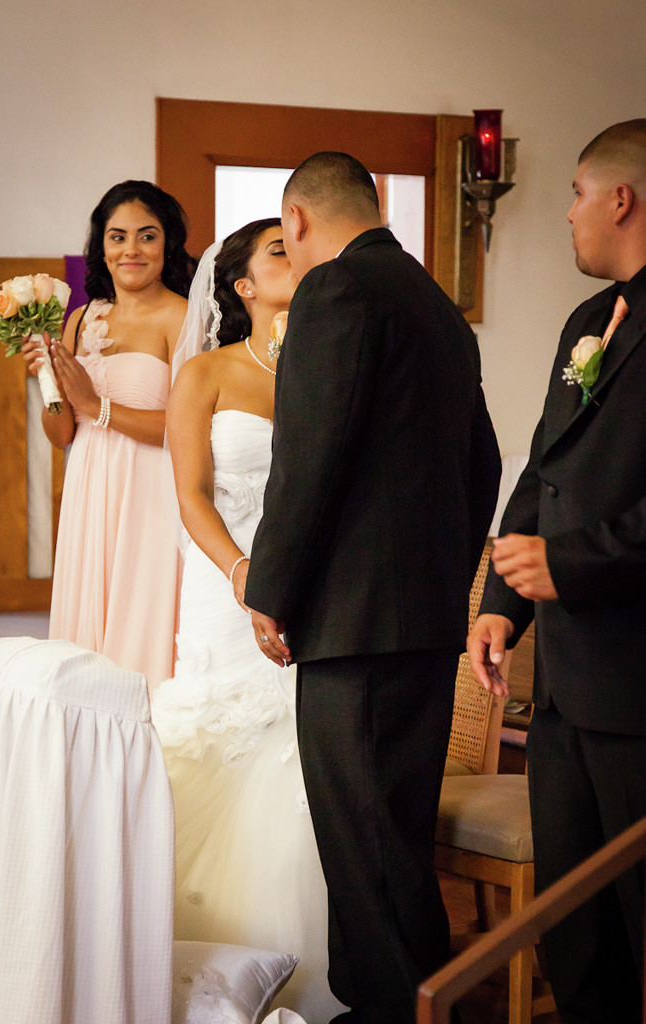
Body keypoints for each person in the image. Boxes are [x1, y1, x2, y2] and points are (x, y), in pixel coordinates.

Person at [243, 152, 501, 1024]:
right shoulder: (435, 305)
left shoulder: (335, 289)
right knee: (390, 838)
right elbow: (482, 462)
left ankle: (402, 1015)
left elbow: (308, 457)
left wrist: (271, 587)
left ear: (298, 221)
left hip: (354, 624)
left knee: (366, 847)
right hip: (420, 620)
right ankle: (396, 1008)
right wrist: (444, 577)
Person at [467, 119, 646, 1024]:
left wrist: (568, 565)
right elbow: (545, 468)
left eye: (577, 194)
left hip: (638, 686)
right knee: (576, 937)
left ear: (621, 199)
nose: (568, 213)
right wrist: (502, 602)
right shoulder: (586, 322)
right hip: (566, 695)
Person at [150, 218, 343, 1023]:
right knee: (213, 752)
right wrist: (244, 576)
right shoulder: (205, 373)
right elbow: (191, 494)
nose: (295, 254)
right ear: (243, 287)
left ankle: (307, 971)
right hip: (225, 589)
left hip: (315, 595)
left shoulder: (328, 369)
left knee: (296, 769)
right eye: (277, 251)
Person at [22, 180, 193, 688]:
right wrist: (49, 382)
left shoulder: (183, 317)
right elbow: (61, 434)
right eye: (118, 237)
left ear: (167, 244)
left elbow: (189, 428)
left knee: (142, 621)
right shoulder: (80, 318)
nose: (131, 250)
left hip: (150, 491)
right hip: (89, 487)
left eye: (147, 236)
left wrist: (95, 406)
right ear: (101, 246)